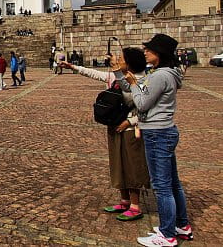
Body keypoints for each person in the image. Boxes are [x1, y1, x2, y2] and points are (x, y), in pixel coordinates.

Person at [116, 34, 193, 246]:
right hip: (164, 130)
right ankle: (181, 225)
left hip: (157, 133)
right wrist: (131, 82)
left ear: (159, 54)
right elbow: (146, 95)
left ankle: (168, 235)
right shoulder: (165, 74)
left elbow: (141, 103)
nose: (146, 53)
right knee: (173, 184)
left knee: (162, 187)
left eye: (149, 50)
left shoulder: (160, 76)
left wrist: (133, 83)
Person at [61, 48, 151, 222]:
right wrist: (72, 66)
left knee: (132, 166)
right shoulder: (117, 78)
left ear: (130, 62)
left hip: (131, 130)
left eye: (122, 58)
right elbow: (94, 74)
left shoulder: (141, 80)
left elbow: (146, 107)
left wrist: (130, 122)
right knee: (118, 164)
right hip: (114, 126)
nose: (118, 60)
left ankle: (135, 206)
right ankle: (124, 201)